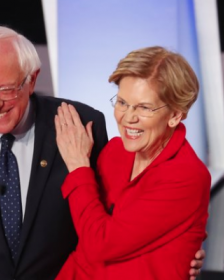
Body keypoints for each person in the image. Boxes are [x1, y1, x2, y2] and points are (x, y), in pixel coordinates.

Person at [0, 26, 204, 280]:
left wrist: (174, 251)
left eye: (6, 89)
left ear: (32, 79)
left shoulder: (82, 126)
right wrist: (174, 249)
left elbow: (100, 234)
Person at [54, 46, 210, 280]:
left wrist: (78, 168)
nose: (128, 117)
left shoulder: (186, 175)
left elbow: (100, 244)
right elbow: (86, 239)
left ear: (175, 115)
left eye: (144, 107)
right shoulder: (114, 152)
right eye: (122, 102)